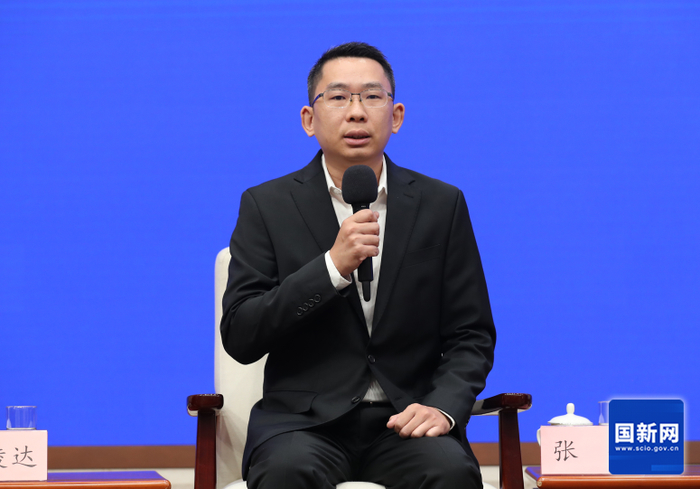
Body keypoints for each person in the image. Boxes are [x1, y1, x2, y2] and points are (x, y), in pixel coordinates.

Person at [220, 42, 496, 489]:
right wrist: (331, 267)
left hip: (406, 418)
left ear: (396, 115)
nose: (356, 112)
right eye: (338, 97)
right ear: (309, 119)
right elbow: (241, 333)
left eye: (371, 96)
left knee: (449, 472)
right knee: (286, 472)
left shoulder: (441, 205)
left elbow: (472, 333)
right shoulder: (267, 205)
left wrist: (443, 406)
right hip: (304, 426)